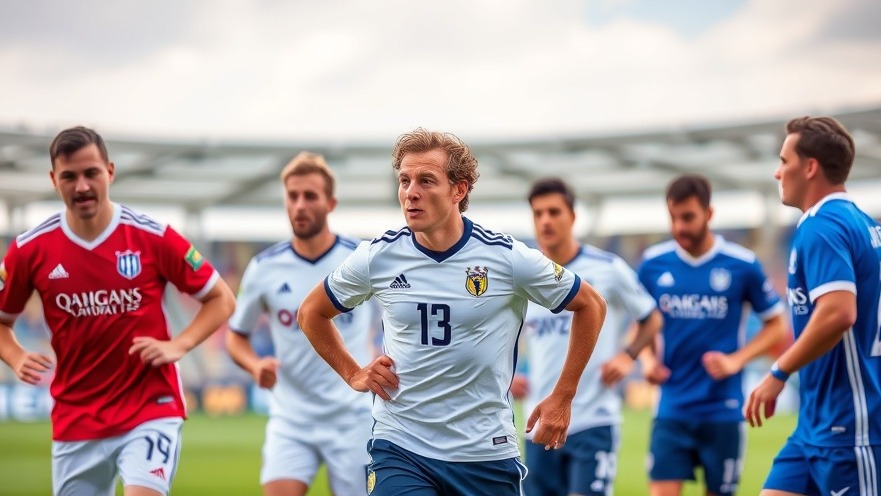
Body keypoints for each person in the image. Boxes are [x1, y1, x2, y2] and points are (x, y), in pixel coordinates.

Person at [296, 128, 608, 496]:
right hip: (401, 446)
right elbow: (311, 312)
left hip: (484, 453)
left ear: (458, 190)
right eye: (404, 180)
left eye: (426, 181)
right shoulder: (378, 257)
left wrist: (563, 395)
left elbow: (590, 304)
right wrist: (353, 373)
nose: (411, 192)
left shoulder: (505, 257)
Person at [0, 126, 236, 496]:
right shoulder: (30, 249)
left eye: (91, 173)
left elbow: (221, 297)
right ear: (53, 179)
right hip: (76, 418)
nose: (81, 186)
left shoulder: (153, 236)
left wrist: (181, 344)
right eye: (69, 176)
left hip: (149, 408)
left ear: (109, 172)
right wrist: (14, 355)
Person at [745, 116, 881, 495]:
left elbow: (839, 312)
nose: (777, 173)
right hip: (815, 426)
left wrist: (778, 372)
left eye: (784, 161)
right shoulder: (861, 222)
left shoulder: (822, 226)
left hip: (850, 427)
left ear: (810, 167)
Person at [226, 151, 374, 496]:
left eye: (310, 196)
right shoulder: (264, 267)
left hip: (352, 416)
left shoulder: (361, 259)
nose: (300, 205)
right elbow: (236, 337)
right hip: (291, 418)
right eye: (292, 196)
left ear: (331, 203)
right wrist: (254, 364)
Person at [510, 178, 663, 496]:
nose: (546, 221)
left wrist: (627, 356)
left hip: (593, 419)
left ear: (573, 217)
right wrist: (508, 377)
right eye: (538, 214)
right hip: (539, 423)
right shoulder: (525, 274)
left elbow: (651, 318)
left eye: (554, 212)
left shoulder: (608, 268)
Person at [637, 174, 786, 496]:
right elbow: (641, 321)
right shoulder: (652, 264)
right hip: (672, 406)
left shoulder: (741, 265)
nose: (679, 227)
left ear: (709, 213)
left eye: (688, 217)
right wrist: (647, 359)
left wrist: (737, 360)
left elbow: (777, 324)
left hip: (723, 407)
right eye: (674, 218)